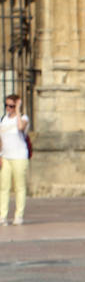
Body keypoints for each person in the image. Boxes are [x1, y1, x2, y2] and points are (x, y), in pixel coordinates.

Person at [0, 94, 30, 226]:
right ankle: (2, 216)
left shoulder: (23, 118)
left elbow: (20, 128)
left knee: (19, 187)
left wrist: (18, 110)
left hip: (19, 156)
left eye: (11, 106)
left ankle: (19, 215)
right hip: (6, 157)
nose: (8, 108)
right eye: (6, 105)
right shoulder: (3, 119)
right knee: (4, 187)